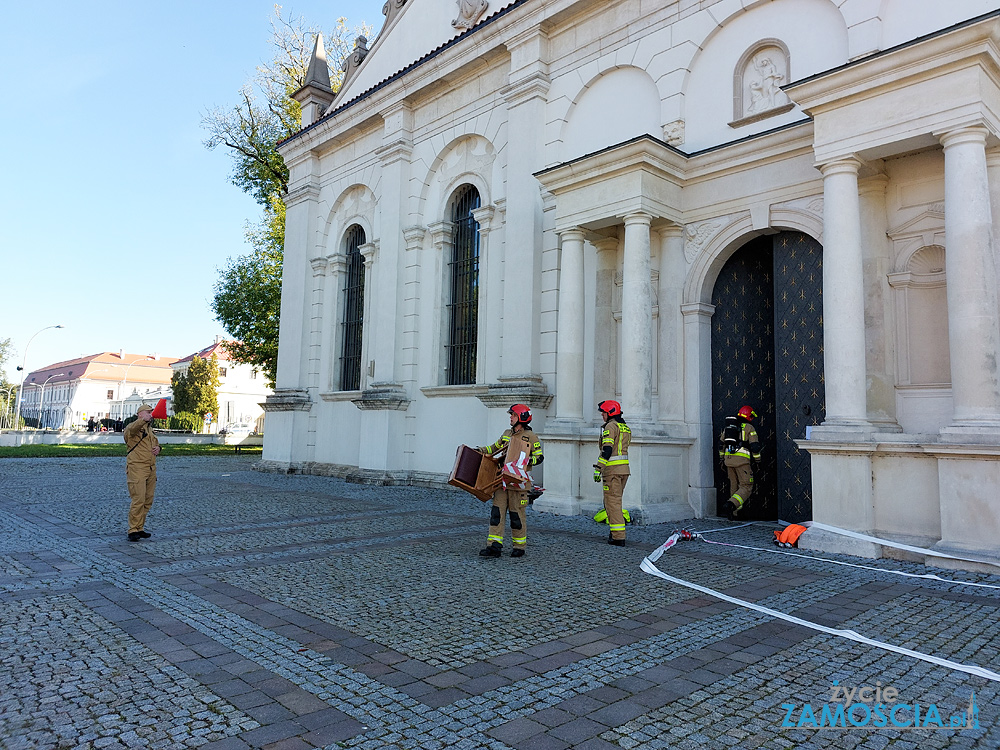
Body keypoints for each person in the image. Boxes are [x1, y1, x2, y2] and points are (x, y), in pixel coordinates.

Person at [477, 404, 543, 558]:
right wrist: (479, 450)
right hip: (502, 481)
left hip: (519, 484)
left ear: (521, 418)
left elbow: (539, 457)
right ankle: (494, 546)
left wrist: (523, 461)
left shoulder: (531, 437)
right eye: (511, 415)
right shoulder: (507, 433)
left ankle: (519, 546)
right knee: (496, 514)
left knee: (517, 516)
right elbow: (494, 448)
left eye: (513, 415)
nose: (510, 418)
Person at [595, 400, 631, 546]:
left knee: (612, 504)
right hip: (624, 470)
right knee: (616, 501)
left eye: (603, 412)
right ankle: (615, 533)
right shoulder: (625, 427)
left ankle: (618, 537)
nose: (602, 415)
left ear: (610, 413)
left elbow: (607, 450)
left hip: (612, 471)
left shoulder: (611, 426)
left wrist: (598, 468)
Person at [124, 403, 161, 542]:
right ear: (140, 414)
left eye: (151, 412)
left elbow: (155, 444)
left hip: (150, 468)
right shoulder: (133, 427)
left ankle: (140, 527)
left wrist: (159, 449)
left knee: (147, 499)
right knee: (138, 499)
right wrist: (142, 420)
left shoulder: (150, 430)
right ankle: (133, 529)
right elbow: (132, 430)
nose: (151, 414)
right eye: (148, 412)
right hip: (137, 467)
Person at [719, 404, 761, 519]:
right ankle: (731, 504)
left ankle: (735, 513)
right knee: (746, 486)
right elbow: (755, 447)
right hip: (742, 462)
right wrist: (758, 461)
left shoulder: (729, 427)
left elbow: (721, 444)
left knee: (734, 486)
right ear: (749, 416)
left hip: (728, 461)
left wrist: (722, 459)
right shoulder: (749, 428)